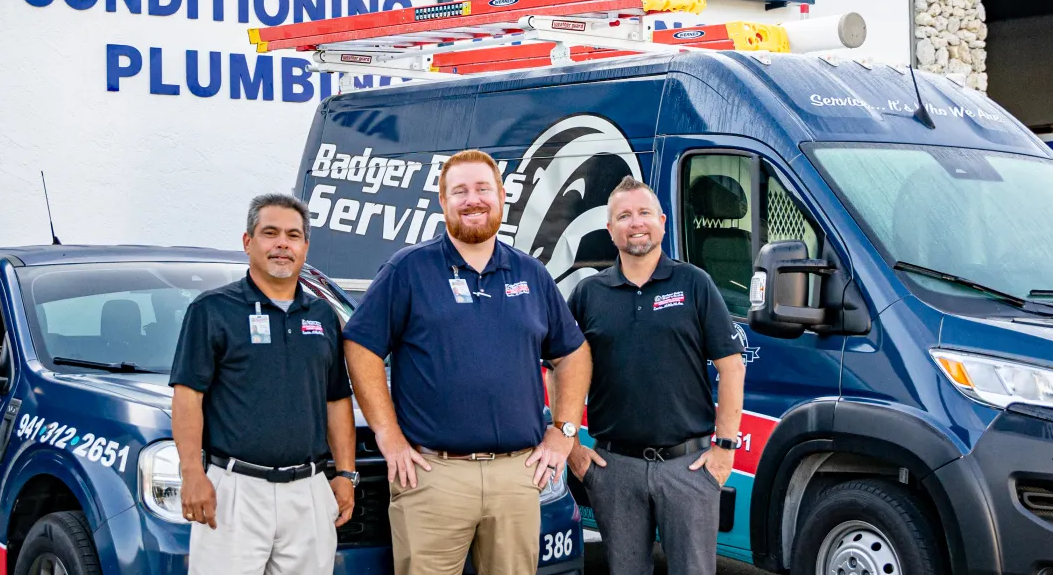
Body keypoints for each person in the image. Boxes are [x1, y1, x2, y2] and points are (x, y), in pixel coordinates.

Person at [343, 150, 593, 575]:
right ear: (443, 201)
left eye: (482, 189)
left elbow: (573, 353)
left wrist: (564, 431)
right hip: (432, 474)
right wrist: (388, 434)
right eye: (459, 191)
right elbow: (361, 346)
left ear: (501, 197)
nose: (472, 200)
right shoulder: (408, 269)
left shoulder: (531, 274)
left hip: (518, 475)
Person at [169, 193, 359, 575]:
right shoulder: (212, 310)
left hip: (309, 490)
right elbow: (188, 397)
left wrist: (345, 474)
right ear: (248, 242)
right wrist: (191, 473)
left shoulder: (322, 315)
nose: (282, 244)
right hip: (234, 490)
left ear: (305, 247)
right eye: (270, 233)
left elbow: (336, 400)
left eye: (293, 235)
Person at [567, 176, 746, 575]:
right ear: (610, 229)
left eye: (644, 213)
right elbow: (558, 368)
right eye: (624, 216)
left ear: (662, 222)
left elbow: (732, 366)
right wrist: (572, 446)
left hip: (689, 467)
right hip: (614, 468)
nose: (636, 223)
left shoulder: (694, 283)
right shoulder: (588, 294)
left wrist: (725, 449)